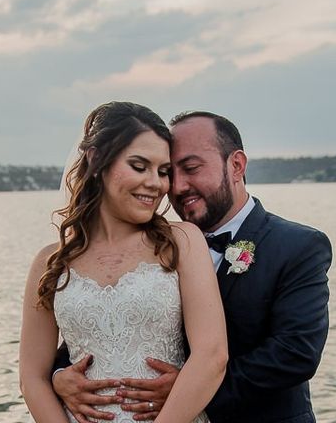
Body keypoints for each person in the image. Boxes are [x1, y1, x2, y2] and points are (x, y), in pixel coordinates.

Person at [53, 111, 332, 423]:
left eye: (191, 168)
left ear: (236, 165)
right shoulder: (159, 248)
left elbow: (296, 353)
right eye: (171, 172)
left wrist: (188, 389)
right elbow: (105, 326)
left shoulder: (298, 246)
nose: (178, 186)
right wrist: (59, 375)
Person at [19, 102, 228, 423]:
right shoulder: (51, 262)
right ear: (96, 160)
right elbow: (32, 376)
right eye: (139, 166)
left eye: (163, 171)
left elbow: (212, 355)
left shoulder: (182, 242)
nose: (156, 184)